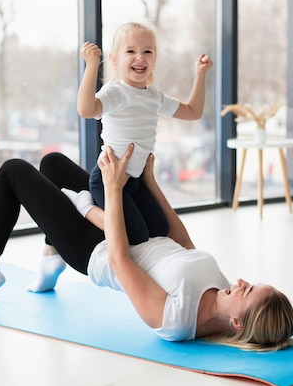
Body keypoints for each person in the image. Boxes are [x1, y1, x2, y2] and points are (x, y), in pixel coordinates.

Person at [0, 144, 293, 350]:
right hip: (140, 230)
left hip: (97, 247)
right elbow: (181, 241)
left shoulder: (177, 322)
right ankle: (51, 258)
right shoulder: (224, 293)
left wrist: (111, 191)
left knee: (13, 172)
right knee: (53, 164)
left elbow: (121, 260)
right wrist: (151, 182)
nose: (240, 281)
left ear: (237, 323)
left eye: (247, 289)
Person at [75, 21, 213, 246]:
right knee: (134, 235)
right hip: (108, 180)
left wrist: (200, 74)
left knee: (160, 229)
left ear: (154, 60)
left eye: (147, 51)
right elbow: (86, 109)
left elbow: (193, 112)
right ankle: (83, 206)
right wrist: (91, 66)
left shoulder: (154, 96)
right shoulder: (116, 92)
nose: (140, 57)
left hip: (136, 180)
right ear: (114, 60)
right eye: (130, 51)